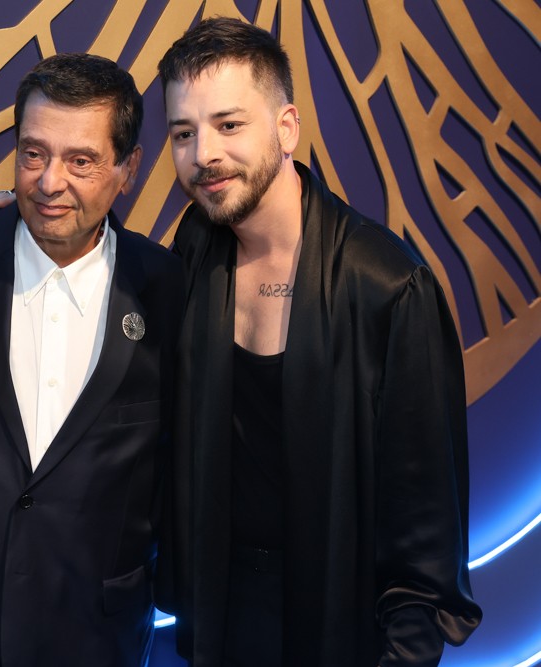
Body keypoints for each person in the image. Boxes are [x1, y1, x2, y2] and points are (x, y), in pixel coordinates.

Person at [154, 17, 482, 666]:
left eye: (229, 124)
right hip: (217, 620)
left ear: (287, 128)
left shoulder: (389, 285)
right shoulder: (195, 243)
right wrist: (21, 226)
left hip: (339, 624)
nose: (203, 154)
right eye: (184, 133)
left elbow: (424, 537)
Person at [0, 53, 184, 666]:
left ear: (128, 169)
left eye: (80, 161)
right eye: (34, 154)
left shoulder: (169, 289)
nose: (50, 182)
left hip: (94, 634)